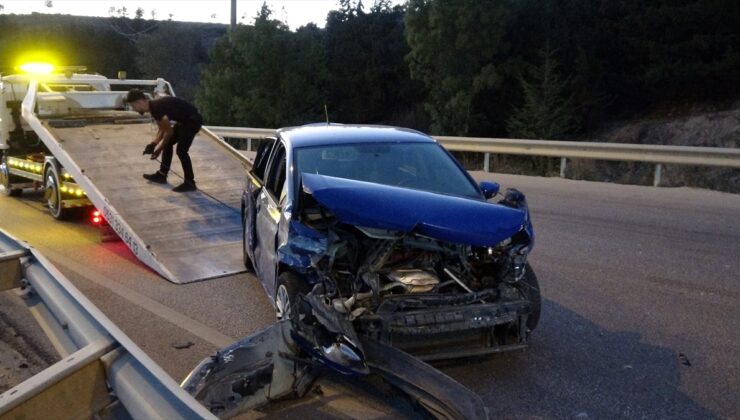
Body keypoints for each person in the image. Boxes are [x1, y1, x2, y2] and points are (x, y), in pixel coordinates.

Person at [125, 89, 203, 192]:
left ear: (139, 102)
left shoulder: (156, 108)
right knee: (168, 144)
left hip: (192, 121)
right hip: (185, 121)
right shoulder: (154, 107)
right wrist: (153, 144)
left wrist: (158, 150)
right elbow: (162, 129)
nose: (134, 109)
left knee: (181, 151)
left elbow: (169, 133)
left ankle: (190, 183)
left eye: (133, 106)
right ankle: (162, 175)